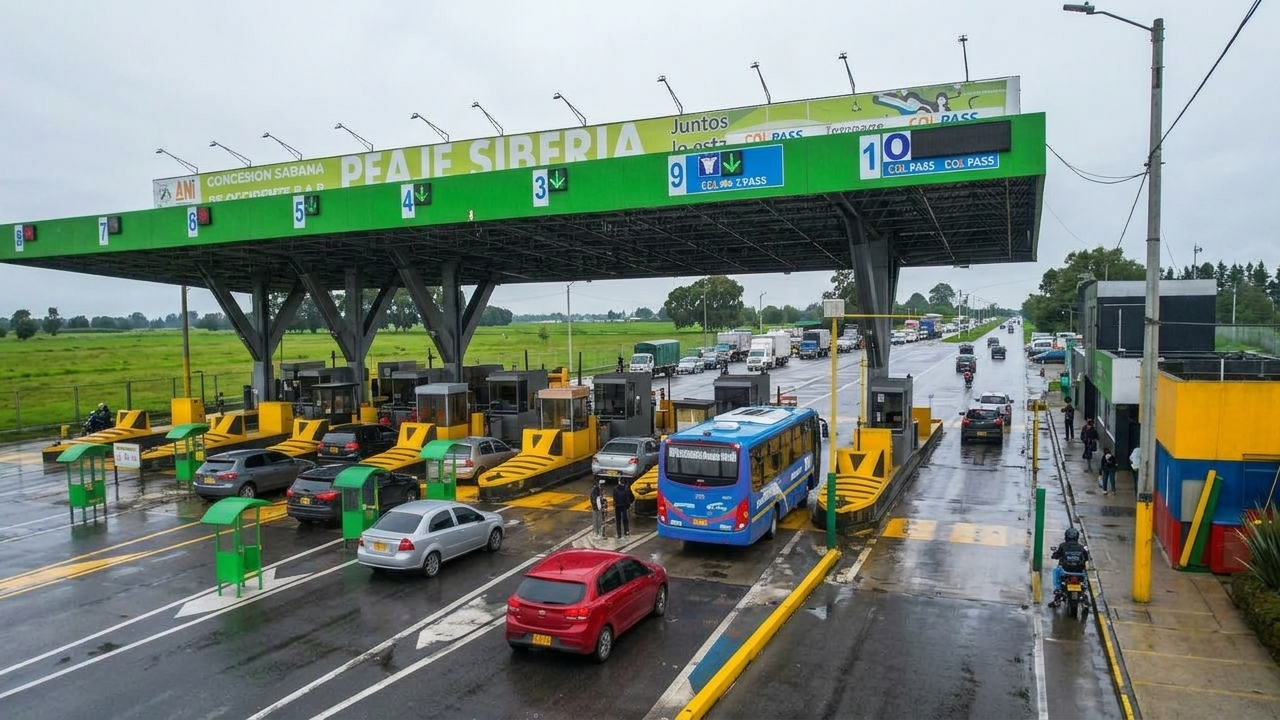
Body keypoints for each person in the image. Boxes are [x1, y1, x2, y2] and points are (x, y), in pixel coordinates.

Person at [1050, 527, 1090, 606]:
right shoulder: (1081, 547)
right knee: (1084, 574)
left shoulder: (1062, 546)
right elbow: (1086, 558)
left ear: (1066, 537)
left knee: (1056, 571)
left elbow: (1056, 555)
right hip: (1079, 572)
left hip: (1066, 571)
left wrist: (1054, 555)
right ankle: (1084, 588)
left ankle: (1057, 589)